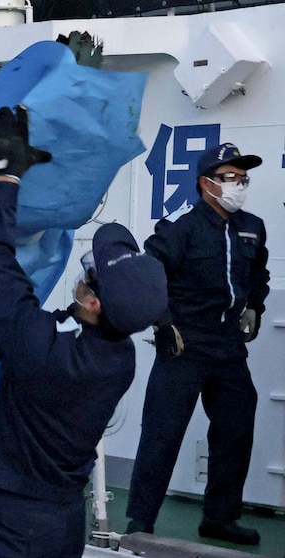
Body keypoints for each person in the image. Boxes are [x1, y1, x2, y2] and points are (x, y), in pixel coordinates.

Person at [0, 106, 167, 557]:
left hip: (4, 524)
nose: (83, 273)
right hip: (62, 523)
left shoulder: (41, 347)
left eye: (90, 272)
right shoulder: (119, 357)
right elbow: (40, 344)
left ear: (93, 301)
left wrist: (7, 175)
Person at [125, 142, 269, 545]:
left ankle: (219, 518)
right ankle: (140, 520)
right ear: (206, 183)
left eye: (243, 177)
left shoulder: (252, 226)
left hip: (227, 347)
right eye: (230, 177)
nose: (239, 184)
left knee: (236, 429)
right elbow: (151, 275)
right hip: (183, 344)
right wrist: (164, 324)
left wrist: (254, 306)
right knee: (162, 433)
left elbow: (259, 273)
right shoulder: (181, 226)